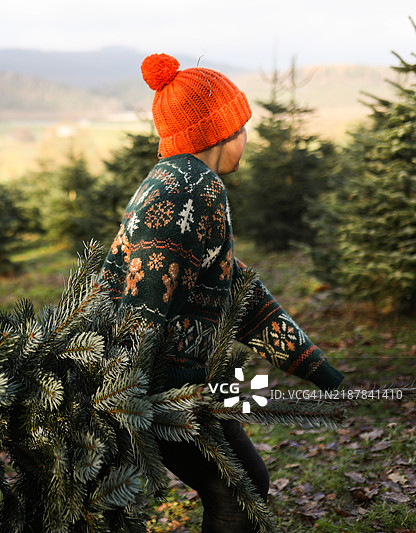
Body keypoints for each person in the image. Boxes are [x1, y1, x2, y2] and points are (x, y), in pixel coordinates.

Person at [99, 53, 345, 532]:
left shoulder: (179, 182)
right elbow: (144, 301)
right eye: (243, 125)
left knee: (242, 482)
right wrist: (125, 406)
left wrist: (323, 373)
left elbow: (240, 295)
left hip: (179, 380)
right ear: (219, 131)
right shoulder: (192, 189)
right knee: (239, 488)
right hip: (164, 386)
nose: (248, 137)